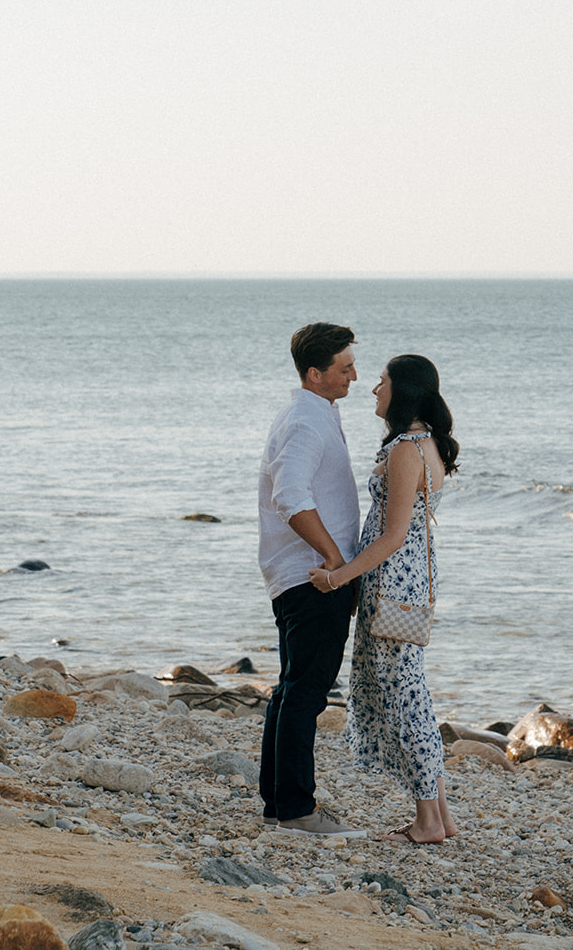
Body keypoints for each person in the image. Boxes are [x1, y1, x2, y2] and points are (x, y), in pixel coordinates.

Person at [308, 354, 460, 844]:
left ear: (404, 392)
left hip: (392, 580)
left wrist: (338, 579)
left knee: (403, 698)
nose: (373, 389)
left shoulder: (406, 450)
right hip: (405, 581)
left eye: (383, 382)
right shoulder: (423, 443)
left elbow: (391, 536)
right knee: (411, 693)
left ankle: (428, 822)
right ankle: (440, 816)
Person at [257, 322, 367, 837]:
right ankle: (298, 811)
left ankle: (279, 803)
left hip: (306, 573)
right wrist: (334, 561)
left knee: (292, 688)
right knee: (306, 692)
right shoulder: (304, 421)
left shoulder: (316, 413)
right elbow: (291, 495)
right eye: (344, 368)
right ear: (315, 373)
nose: (353, 376)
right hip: (312, 576)